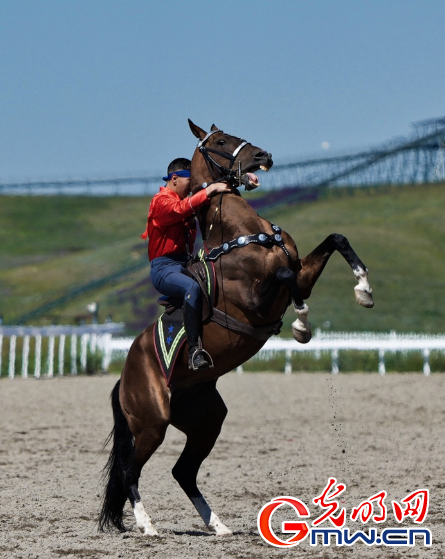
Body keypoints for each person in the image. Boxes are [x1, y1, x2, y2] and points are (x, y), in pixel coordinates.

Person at [141, 158, 231, 370]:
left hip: (184, 264)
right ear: (174, 179)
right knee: (191, 287)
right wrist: (210, 190)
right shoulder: (161, 200)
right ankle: (194, 351)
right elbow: (181, 209)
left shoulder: (181, 201)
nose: (192, 187)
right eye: (189, 181)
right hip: (164, 268)